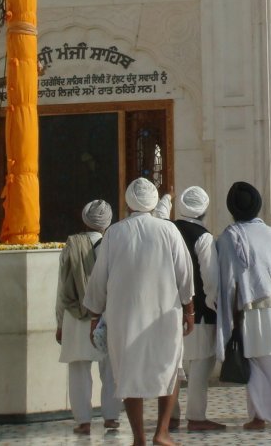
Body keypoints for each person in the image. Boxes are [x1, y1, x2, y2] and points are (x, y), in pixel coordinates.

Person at [83, 178, 194, 446]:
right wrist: (189, 309)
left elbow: (99, 279)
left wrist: (95, 314)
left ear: (128, 202)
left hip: (126, 318)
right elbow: (185, 273)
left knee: (129, 373)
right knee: (168, 369)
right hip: (163, 313)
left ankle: (139, 438)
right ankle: (162, 433)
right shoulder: (168, 230)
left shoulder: (115, 233)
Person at [217, 181, 271, 430]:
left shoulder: (232, 235)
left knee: (256, 362)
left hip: (251, 306)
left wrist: (226, 311)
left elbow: (227, 278)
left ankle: (261, 417)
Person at [56, 199, 120, 436]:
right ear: (108, 221)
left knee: (79, 370)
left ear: (85, 219)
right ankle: (111, 417)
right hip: (105, 314)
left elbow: (63, 288)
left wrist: (60, 322)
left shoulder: (71, 245)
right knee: (111, 368)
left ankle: (83, 421)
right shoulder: (113, 244)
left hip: (75, 315)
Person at [171, 186, 224, 432]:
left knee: (172, 366)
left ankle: (171, 416)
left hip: (169, 311)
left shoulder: (168, 231)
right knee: (200, 365)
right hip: (200, 311)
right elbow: (210, 278)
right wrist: (214, 306)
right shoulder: (203, 237)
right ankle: (196, 417)